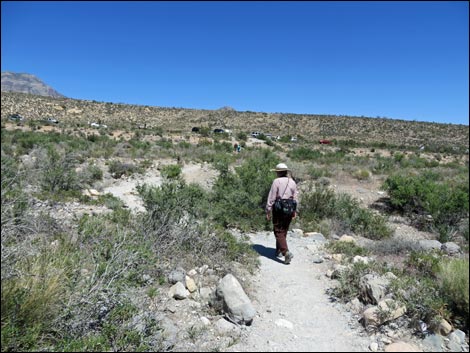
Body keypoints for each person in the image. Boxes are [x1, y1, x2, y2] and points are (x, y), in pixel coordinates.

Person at [265, 163, 298, 264]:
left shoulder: (276, 181)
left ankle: (285, 252)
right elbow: (295, 198)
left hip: (279, 208)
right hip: (289, 208)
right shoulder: (292, 182)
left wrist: (268, 210)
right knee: (284, 229)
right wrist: (294, 210)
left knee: (278, 230)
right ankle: (278, 250)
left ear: (278, 172)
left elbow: (272, 196)